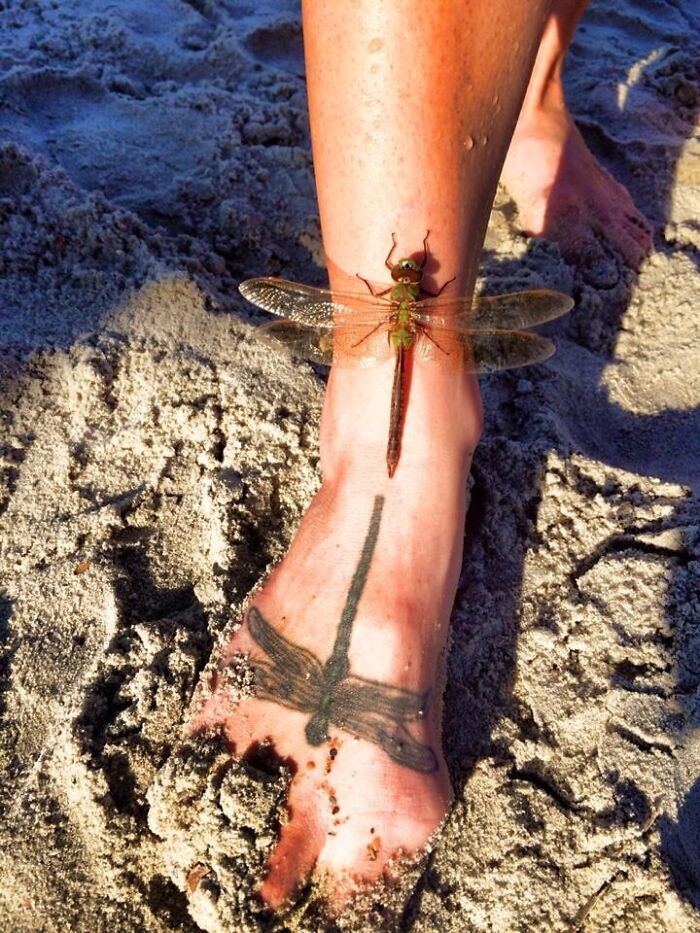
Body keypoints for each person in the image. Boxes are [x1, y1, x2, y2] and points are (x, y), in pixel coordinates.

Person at [191, 0, 652, 910]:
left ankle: (528, 89)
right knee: (403, 360)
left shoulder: (390, 294)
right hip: (394, 328)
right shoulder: (403, 297)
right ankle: (387, 461)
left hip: (394, 309)